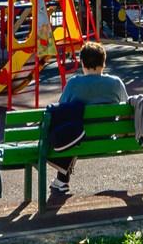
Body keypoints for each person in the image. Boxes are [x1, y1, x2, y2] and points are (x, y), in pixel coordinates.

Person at [42, 40, 126, 205]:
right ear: (104, 62)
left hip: (79, 139)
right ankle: (61, 180)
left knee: (69, 123)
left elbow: (61, 108)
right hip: (107, 139)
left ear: (82, 63)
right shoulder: (116, 83)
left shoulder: (74, 83)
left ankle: (62, 180)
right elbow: (126, 108)